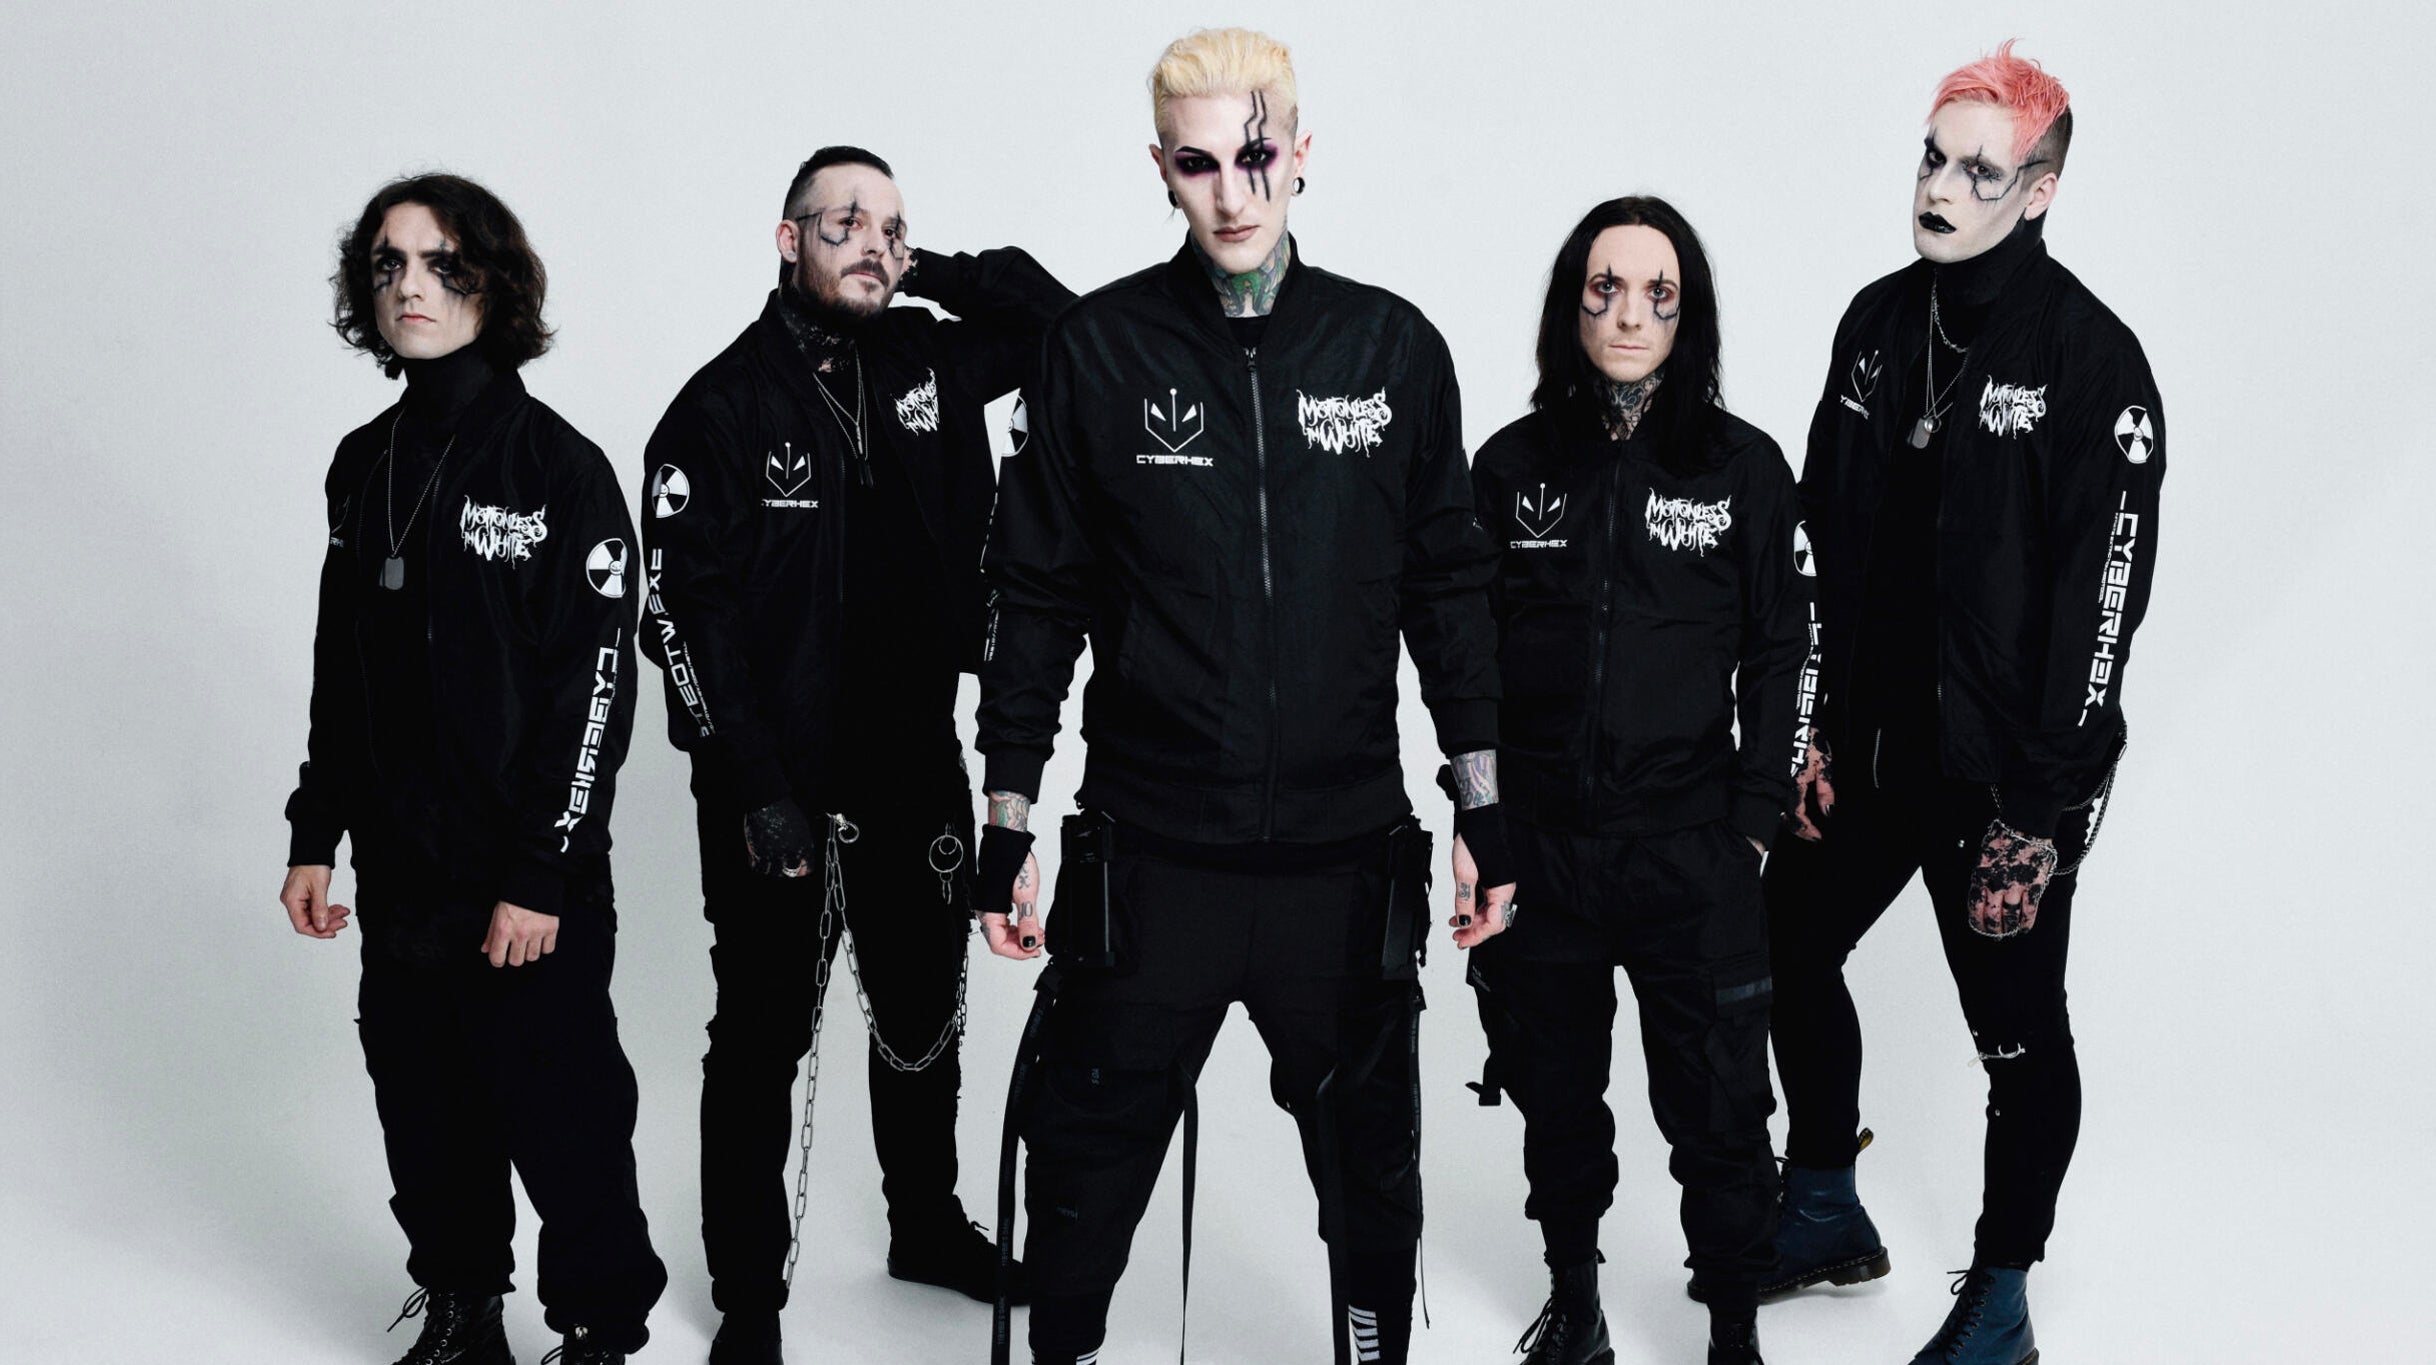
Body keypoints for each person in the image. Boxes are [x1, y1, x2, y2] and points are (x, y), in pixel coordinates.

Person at [973, 27, 1512, 1365]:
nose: (1232, 192)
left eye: (1256, 155)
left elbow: (1449, 591)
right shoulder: (1098, 351)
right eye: (1199, 163)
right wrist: (1007, 816)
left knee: (1372, 1181)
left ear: (1303, 152)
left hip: (1342, 858)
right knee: (1082, 1171)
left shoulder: (1391, 350)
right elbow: (1035, 599)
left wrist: (1484, 803)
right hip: (1156, 856)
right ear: (1160, 168)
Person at [1758, 41, 2165, 1365]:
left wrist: (2037, 816)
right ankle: (1823, 1204)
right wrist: (1808, 728)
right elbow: (1820, 531)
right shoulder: (1880, 323)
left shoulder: (2095, 364)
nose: (1940, 187)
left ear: (2039, 191)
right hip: (1871, 753)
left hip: (2003, 779)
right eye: (1932, 158)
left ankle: (2001, 1298)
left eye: (1980, 171)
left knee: (2017, 1038)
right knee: (1777, 947)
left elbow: (2104, 609)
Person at [637, 145, 1073, 1364]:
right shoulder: (718, 409)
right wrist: (755, 786)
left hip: (914, 758)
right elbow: (681, 616)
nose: (872, 243)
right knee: (761, 1035)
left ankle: (924, 1227)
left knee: (923, 1014)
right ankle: (748, 1297)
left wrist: (925, 270)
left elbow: (1066, 328)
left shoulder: (927, 357)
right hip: (775, 783)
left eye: (891, 226)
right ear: (788, 241)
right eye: (845, 224)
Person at [279, 173, 666, 1365]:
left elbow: (595, 694)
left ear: (494, 286)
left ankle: (601, 1327)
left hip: (526, 881)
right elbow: (342, 668)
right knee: (423, 1108)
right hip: (403, 872)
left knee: (564, 1116)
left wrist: (542, 873)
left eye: (443, 264)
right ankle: (461, 1312)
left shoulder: (561, 471)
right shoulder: (363, 464)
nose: (412, 287)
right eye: (389, 264)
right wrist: (314, 831)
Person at [1465, 197, 1811, 1365]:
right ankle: (1577, 1304)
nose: (1628, 314)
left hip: (1691, 854)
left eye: (1657, 294)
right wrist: (1483, 821)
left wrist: (1752, 825)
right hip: (1546, 856)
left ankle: (1732, 1331)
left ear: (1687, 314)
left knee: (1721, 1113)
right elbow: (1467, 659)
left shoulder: (1743, 469)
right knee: (1557, 1098)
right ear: (1572, 305)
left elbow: (1783, 650)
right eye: (1605, 288)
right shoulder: (1510, 468)